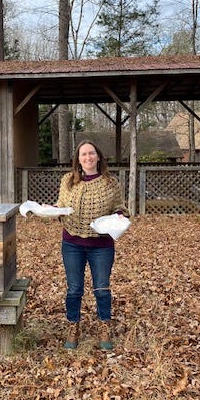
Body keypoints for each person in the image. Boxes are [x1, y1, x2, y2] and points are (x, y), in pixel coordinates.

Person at [55, 140, 130, 350]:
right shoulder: (68, 181)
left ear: (98, 156)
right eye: (83, 154)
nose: (87, 158)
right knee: (74, 289)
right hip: (72, 243)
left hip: (101, 246)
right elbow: (61, 206)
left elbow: (120, 207)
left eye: (91, 154)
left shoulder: (110, 182)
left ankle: (104, 326)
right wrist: (50, 209)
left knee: (102, 289)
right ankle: (73, 326)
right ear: (77, 160)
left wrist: (118, 216)